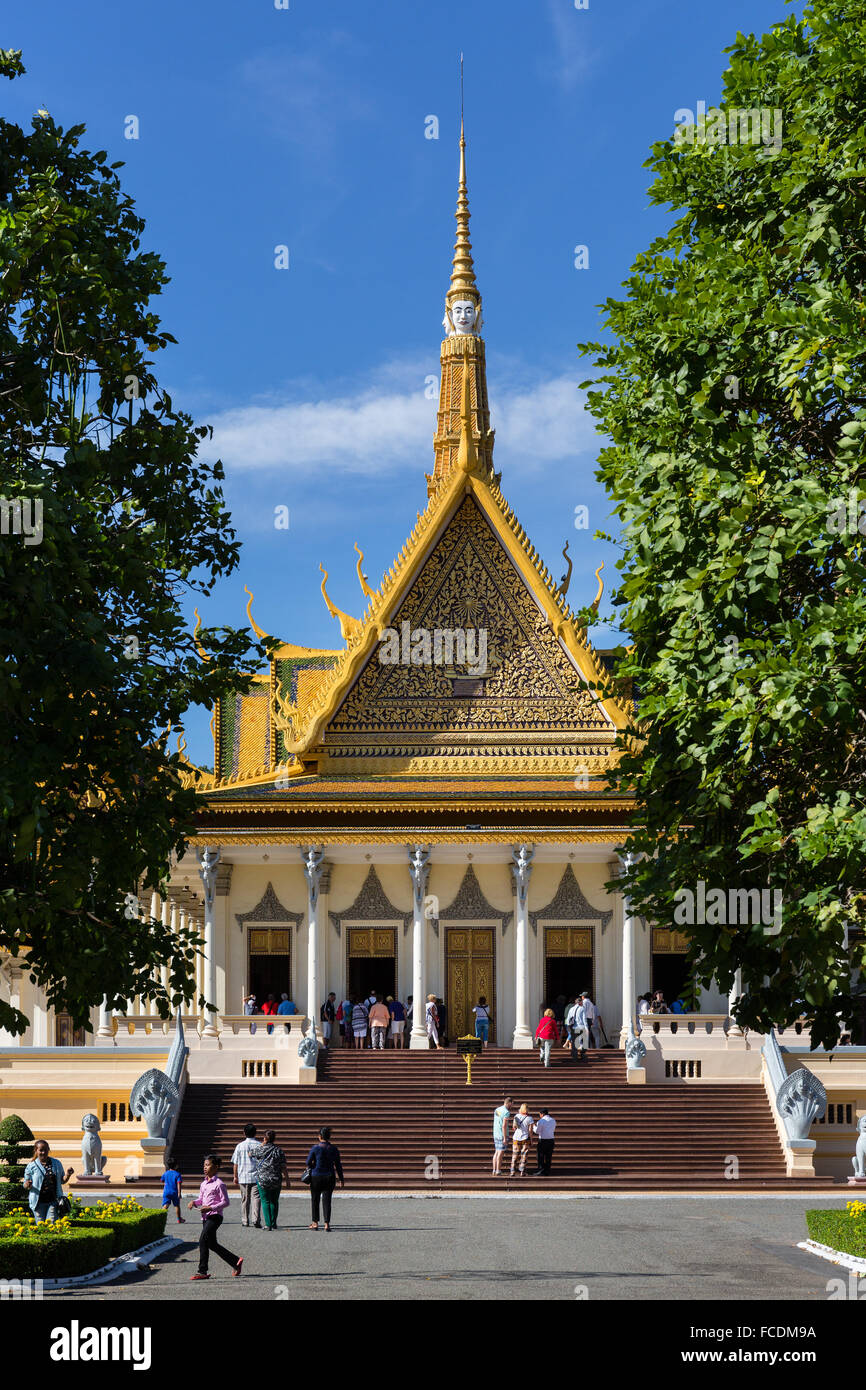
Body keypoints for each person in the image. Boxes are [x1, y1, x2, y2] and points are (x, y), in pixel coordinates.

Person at [188, 1155, 243, 1280]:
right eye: (204, 1165)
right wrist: (194, 1202)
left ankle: (202, 1271)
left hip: (215, 1216)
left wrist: (211, 1208)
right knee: (211, 1244)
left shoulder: (219, 1184)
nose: (205, 1167)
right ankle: (235, 1261)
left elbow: (226, 1202)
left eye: (208, 1165)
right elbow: (201, 1199)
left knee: (202, 1240)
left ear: (216, 1167)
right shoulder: (203, 1184)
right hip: (205, 1217)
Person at [22, 1141, 74, 1224]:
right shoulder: (31, 1166)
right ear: (36, 1151)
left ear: (48, 1150)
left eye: (46, 1150)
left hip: (53, 1201)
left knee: (51, 1224)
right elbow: (25, 1184)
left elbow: (62, 1181)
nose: (43, 1152)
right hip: (37, 1202)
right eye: (41, 1150)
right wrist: (27, 1184)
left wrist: (68, 1174)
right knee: (41, 1225)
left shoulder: (56, 1163)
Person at [306, 1126, 344, 1231]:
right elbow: (338, 1165)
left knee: (315, 1200)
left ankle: (315, 1223)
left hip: (316, 1176)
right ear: (329, 1137)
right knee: (327, 1201)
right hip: (329, 1177)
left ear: (319, 1136)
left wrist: (313, 1166)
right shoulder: (334, 1149)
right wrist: (341, 1179)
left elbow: (308, 1162)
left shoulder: (315, 1148)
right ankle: (327, 1224)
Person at [250, 1129, 290, 1231]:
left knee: (265, 1201)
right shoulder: (278, 1150)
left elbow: (250, 1154)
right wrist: (287, 1180)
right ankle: (273, 1223)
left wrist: (262, 1145)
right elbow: (283, 1167)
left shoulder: (260, 1149)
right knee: (274, 1201)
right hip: (276, 1179)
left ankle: (268, 1225)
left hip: (263, 1179)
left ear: (265, 1138)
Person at [231, 1123, 262, 1228]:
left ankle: (245, 1220)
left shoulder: (240, 1146)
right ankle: (256, 1219)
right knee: (256, 1198)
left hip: (243, 1176)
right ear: (255, 1133)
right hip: (257, 1176)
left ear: (244, 1133)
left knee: (245, 1199)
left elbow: (235, 1163)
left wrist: (235, 1176)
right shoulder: (259, 1145)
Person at [510, 1104, 533, 1177]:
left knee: (515, 1155)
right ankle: (522, 1172)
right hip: (525, 1139)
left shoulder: (516, 1116)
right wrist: (531, 1140)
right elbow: (530, 1131)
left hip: (516, 1138)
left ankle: (512, 1172)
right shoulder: (530, 1118)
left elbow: (514, 1127)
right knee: (524, 1156)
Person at [161, 1156, 186, 1223]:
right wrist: (179, 1193)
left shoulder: (165, 1173)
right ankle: (179, 1219)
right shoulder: (177, 1174)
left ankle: (161, 1218)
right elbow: (179, 1184)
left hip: (166, 1192)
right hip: (174, 1192)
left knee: (165, 1205)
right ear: (176, 1166)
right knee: (177, 1206)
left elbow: (162, 1180)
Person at [492, 1096, 513, 1176]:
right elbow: (504, 1125)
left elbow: (497, 1120)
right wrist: (505, 1137)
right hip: (501, 1134)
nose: (511, 1106)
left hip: (496, 1133)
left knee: (496, 1152)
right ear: (509, 1103)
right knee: (500, 1153)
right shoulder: (506, 1112)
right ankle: (498, 1170)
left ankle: (494, 1170)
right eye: (511, 1104)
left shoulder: (497, 1110)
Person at [533, 1109, 556, 1176]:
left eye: (539, 1115)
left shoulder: (541, 1121)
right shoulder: (553, 1120)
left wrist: (534, 1126)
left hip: (543, 1140)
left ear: (542, 1114)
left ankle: (541, 1170)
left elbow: (537, 1131)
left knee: (540, 1156)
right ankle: (547, 1171)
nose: (540, 1116)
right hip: (551, 1140)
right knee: (548, 1157)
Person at [566, 996, 588, 1061]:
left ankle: (574, 1057)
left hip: (574, 1028)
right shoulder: (582, 1008)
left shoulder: (571, 1009)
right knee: (584, 1042)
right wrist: (587, 1028)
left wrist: (569, 1027)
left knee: (574, 1043)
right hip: (581, 1027)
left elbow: (568, 1020)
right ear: (580, 1002)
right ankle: (582, 1054)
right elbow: (584, 1019)